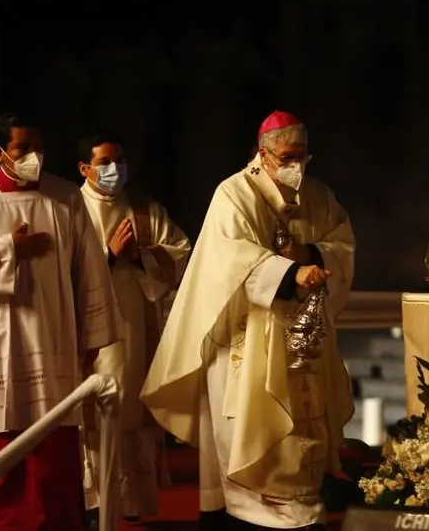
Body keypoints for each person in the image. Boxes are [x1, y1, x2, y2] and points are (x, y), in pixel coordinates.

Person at [141, 111, 356, 530]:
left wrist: (312, 255)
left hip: (304, 335)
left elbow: (343, 243)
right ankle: (252, 511)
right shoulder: (233, 194)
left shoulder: (318, 195)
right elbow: (229, 257)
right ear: (264, 153)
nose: (297, 165)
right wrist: (289, 273)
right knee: (254, 436)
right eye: (288, 156)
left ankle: (303, 507)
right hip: (247, 336)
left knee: (306, 422)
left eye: (303, 156)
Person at [0, 112, 121, 531]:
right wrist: (8, 249)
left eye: (38, 147)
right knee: (3, 447)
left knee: (54, 455)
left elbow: (90, 269)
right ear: (0, 152)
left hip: (53, 340)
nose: (33, 156)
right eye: (23, 149)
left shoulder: (66, 197)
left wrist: (90, 337)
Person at [76, 133, 192, 523]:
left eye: (119, 160)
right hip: (89, 339)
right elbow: (58, 272)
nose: (115, 170)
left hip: (138, 336)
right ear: (84, 168)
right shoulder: (70, 210)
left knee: (132, 414)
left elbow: (182, 253)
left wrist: (139, 256)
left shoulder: (144, 210)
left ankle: (132, 505)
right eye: (105, 162)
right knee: (93, 417)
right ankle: (93, 503)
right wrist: (107, 256)